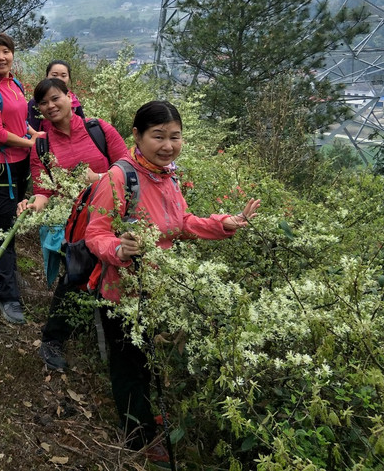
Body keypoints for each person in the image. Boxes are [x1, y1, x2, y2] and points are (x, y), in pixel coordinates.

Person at [84, 100, 259, 462]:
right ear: (137, 135)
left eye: (175, 137)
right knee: (128, 365)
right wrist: (120, 248)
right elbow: (94, 234)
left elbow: (180, 223)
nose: (167, 145)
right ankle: (138, 437)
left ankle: (145, 414)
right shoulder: (120, 177)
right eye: (158, 136)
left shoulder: (167, 174)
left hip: (156, 288)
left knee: (145, 356)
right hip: (122, 292)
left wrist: (222, 224)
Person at [16, 77, 129, 371]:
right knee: (75, 277)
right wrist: (33, 204)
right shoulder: (42, 144)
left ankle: (117, 343)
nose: (50, 106)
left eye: (55, 98)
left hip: (114, 217)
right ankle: (52, 339)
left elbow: (129, 169)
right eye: (43, 103)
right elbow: (44, 189)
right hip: (77, 223)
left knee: (118, 277)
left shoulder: (98, 129)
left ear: (70, 96)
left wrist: (99, 180)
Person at [0, 33, 43, 324]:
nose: (1, 57)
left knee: (14, 223)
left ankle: (9, 276)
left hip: (21, 165)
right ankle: (7, 296)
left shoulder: (14, 84)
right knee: (4, 230)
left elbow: (21, 121)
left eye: (6, 51)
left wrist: (35, 135)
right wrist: (33, 145)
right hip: (1, 167)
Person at [26, 60, 86, 132]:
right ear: (47, 76)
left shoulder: (74, 99)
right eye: (54, 75)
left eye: (63, 76)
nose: (59, 78)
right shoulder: (36, 101)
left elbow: (82, 122)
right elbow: (32, 125)